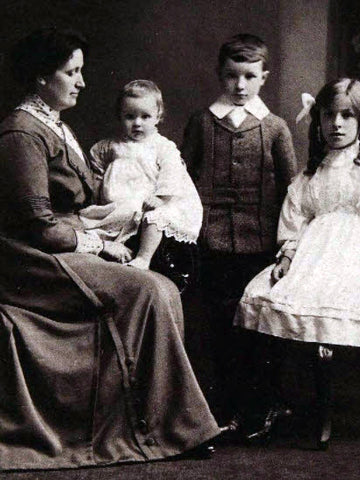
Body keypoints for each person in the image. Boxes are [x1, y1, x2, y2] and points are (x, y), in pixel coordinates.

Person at [0, 27, 220, 471]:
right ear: (42, 77)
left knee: (160, 286)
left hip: (60, 246)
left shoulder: (52, 125)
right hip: (34, 262)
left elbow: (75, 207)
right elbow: (38, 225)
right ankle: (156, 429)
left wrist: (107, 223)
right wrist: (98, 243)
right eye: (72, 72)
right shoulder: (21, 133)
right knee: (148, 290)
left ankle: (168, 424)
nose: (82, 81)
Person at [234, 78, 360, 438]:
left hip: (358, 261)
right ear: (318, 119)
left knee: (331, 304)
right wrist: (288, 254)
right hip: (313, 259)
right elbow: (294, 217)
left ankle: (321, 411)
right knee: (267, 294)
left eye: (346, 116)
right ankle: (275, 401)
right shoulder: (312, 172)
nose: (336, 124)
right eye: (328, 115)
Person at [181, 33, 297, 422]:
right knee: (217, 326)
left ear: (264, 76)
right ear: (220, 75)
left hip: (261, 245)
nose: (240, 85)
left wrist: (286, 246)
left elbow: (291, 191)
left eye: (250, 76)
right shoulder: (201, 123)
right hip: (211, 241)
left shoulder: (275, 128)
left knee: (258, 325)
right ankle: (222, 407)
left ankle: (260, 405)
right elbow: (181, 180)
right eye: (232, 76)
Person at [79, 80, 202, 271]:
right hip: (122, 201)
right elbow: (96, 160)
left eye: (145, 117)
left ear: (158, 116)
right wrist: (98, 183)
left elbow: (173, 173)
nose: (137, 123)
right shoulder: (111, 146)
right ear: (120, 116)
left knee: (155, 217)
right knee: (98, 221)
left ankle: (144, 257)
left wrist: (161, 197)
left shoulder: (162, 146)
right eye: (130, 116)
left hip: (150, 201)